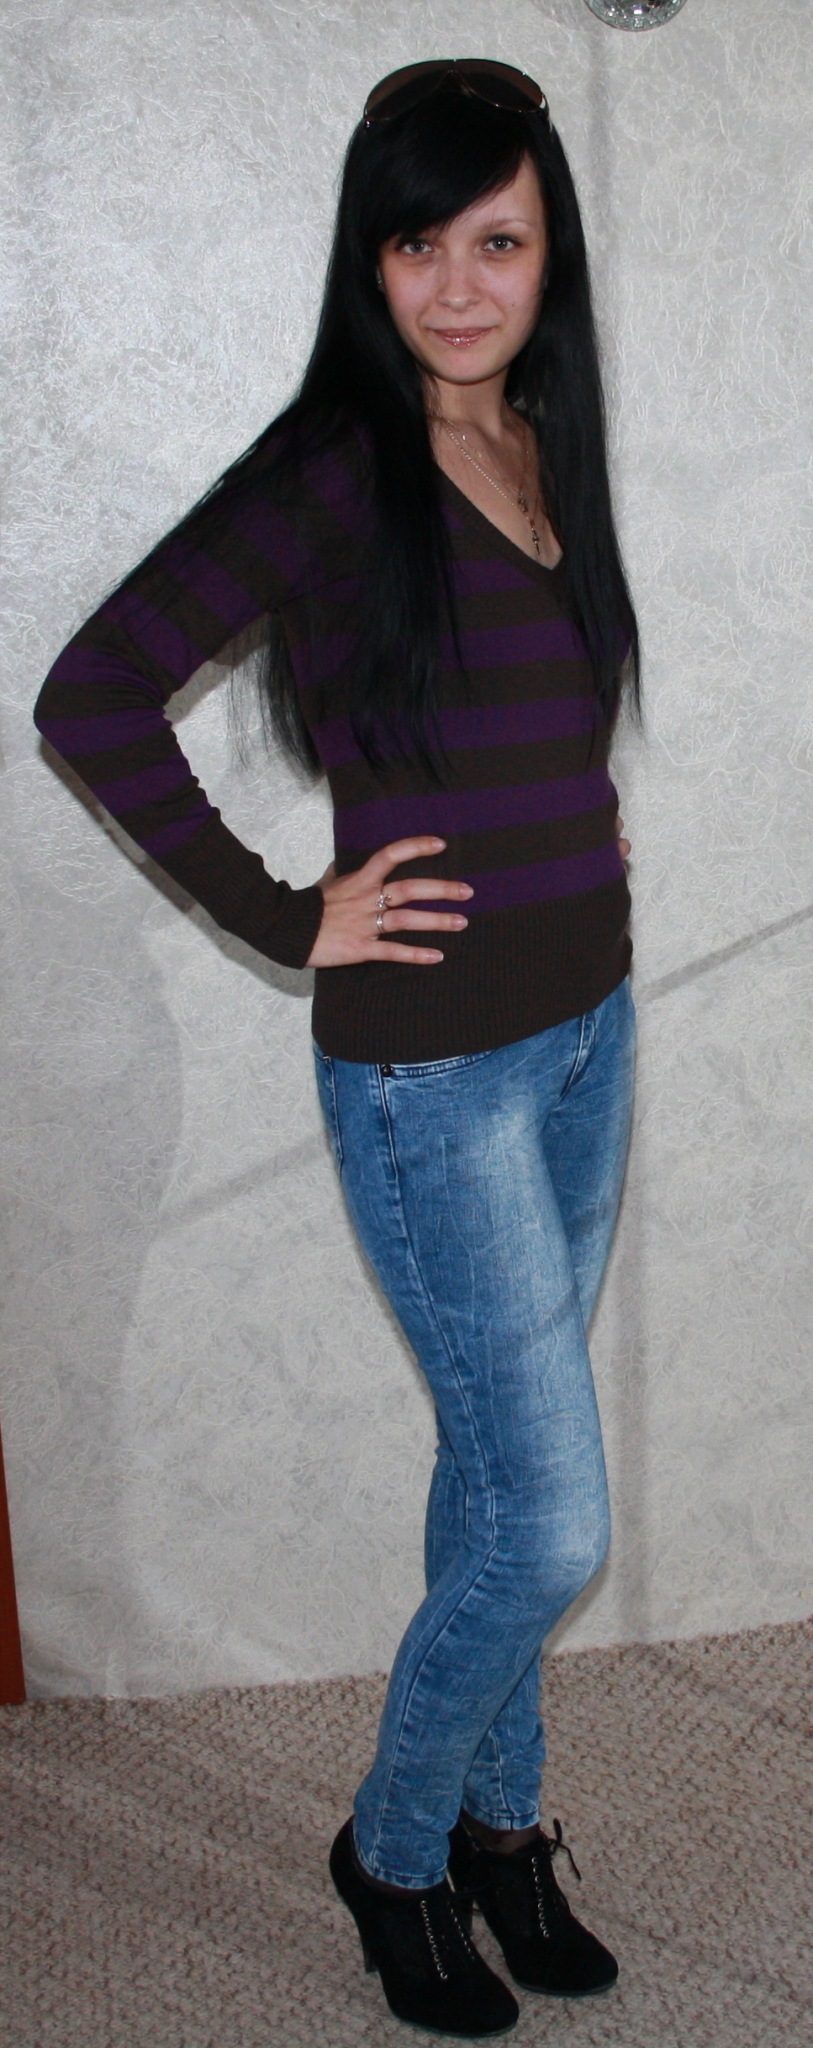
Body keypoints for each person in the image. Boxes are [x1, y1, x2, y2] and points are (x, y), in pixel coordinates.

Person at [34, 58, 640, 2040]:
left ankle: (502, 1826)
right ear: (365, 260)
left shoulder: (541, 439)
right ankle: (391, 1850)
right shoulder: (327, 470)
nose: (457, 283)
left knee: (494, 1484)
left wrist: (579, 875)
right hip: (431, 1075)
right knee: (549, 1521)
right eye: (414, 241)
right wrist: (287, 914)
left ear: (545, 257)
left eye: (496, 239)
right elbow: (92, 693)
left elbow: (531, 735)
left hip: (586, 1036)